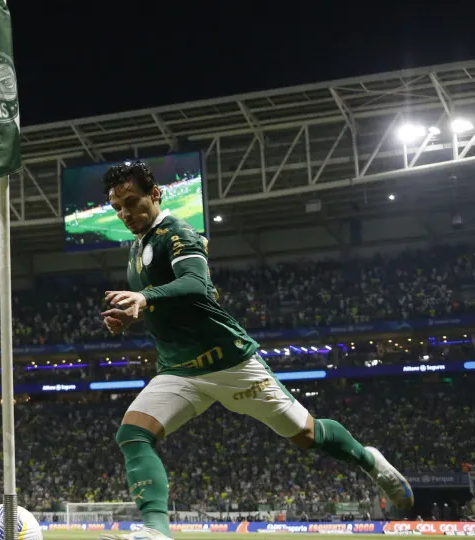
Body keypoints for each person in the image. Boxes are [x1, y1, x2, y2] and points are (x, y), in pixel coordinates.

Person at [96, 161, 413, 540]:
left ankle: (368, 458)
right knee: (132, 433)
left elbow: (195, 283)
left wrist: (144, 298)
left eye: (132, 202)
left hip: (227, 361)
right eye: (117, 208)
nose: (125, 213)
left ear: (155, 194)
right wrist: (132, 315)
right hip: (179, 369)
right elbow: (166, 302)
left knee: (306, 434)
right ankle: (156, 532)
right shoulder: (137, 246)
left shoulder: (177, 233)